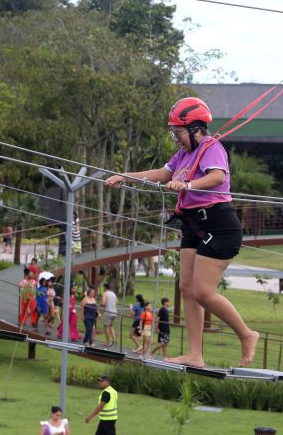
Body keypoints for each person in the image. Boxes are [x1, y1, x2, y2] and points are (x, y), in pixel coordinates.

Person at [106, 97, 258, 368]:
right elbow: (162, 174)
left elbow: (217, 177)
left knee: (202, 292)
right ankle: (195, 355)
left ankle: (247, 335)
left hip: (218, 225)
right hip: (192, 224)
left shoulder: (212, 148)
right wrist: (125, 176)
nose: (176, 138)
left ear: (196, 128)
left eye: (178, 133)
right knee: (186, 288)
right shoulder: (184, 155)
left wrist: (187, 184)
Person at [101, 283, 118, 347]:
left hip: (108, 312)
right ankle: (115, 339)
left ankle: (108, 342)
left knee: (106, 327)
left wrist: (101, 305)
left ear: (105, 288)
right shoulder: (113, 293)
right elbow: (117, 302)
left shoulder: (105, 293)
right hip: (114, 312)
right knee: (111, 326)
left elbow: (103, 303)